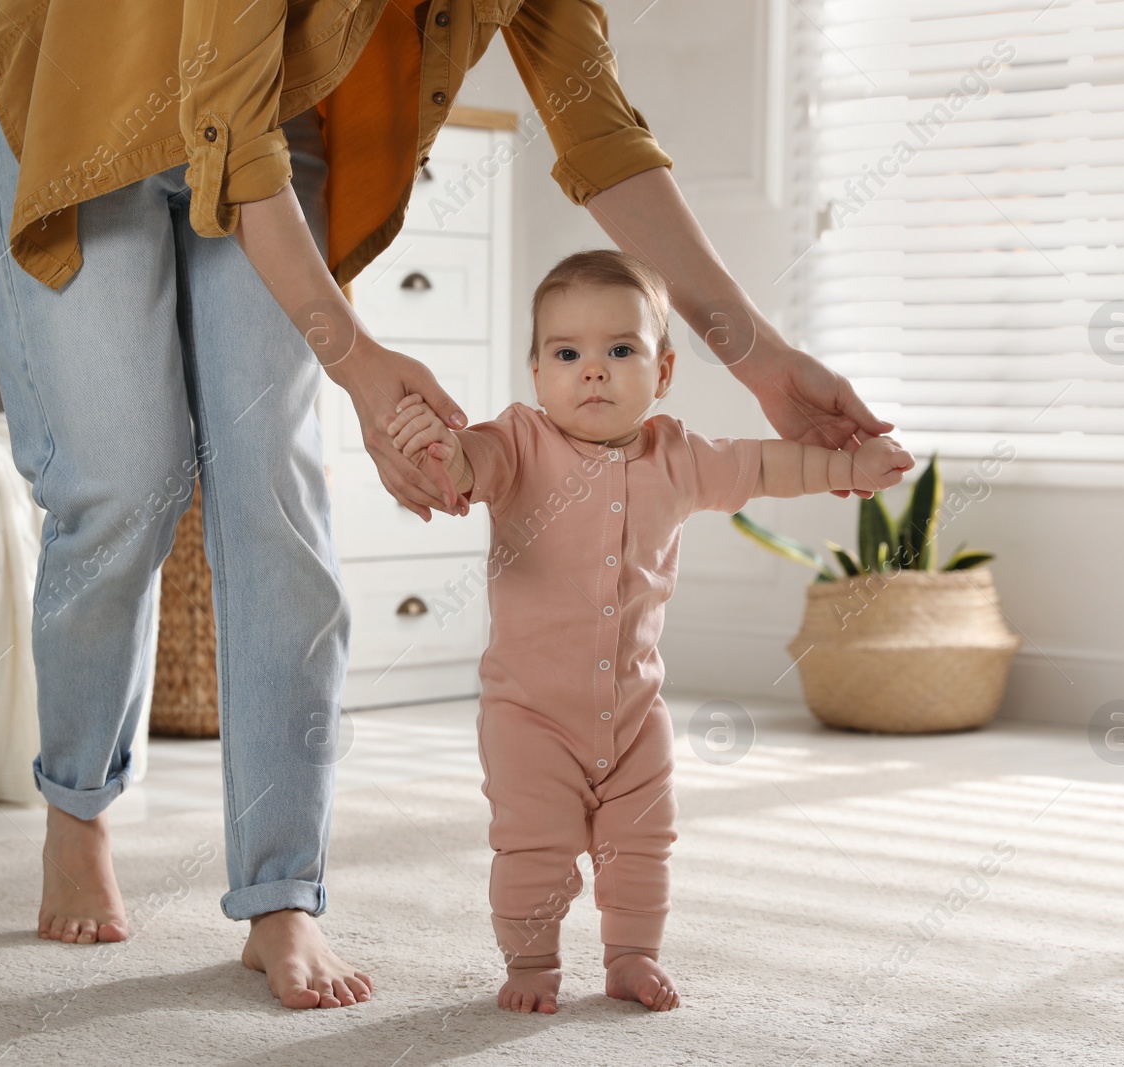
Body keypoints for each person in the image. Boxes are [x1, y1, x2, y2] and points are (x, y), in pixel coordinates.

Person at [0, 0, 893, 1011]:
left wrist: (756, 353)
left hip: (269, 114)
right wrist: (355, 357)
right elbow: (222, 111)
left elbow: (596, 128)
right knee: (126, 483)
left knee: (275, 491)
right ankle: (78, 800)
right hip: (86, 95)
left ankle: (280, 896)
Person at [385, 250, 913, 1013]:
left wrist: (850, 468)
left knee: (644, 842)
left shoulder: (679, 456)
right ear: (536, 373)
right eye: (567, 353)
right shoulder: (520, 441)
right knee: (533, 843)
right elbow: (474, 466)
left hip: (636, 711)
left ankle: (632, 954)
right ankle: (531, 960)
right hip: (529, 715)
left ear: (662, 372)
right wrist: (441, 450)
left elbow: (762, 466)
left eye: (620, 350)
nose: (592, 371)